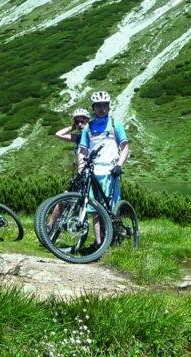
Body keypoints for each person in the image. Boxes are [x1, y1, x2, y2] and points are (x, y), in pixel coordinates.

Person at [77, 91, 129, 245]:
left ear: (108, 106)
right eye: (98, 105)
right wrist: (80, 170)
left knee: (110, 209)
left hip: (110, 171)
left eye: (105, 105)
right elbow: (83, 150)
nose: (102, 108)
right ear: (94, 107)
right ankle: (100, 243)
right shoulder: (88, 128)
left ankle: (113, 239)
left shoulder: (115, 124)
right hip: (93, 172)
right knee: (94, 210)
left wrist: (119, 165)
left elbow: (125, 147)